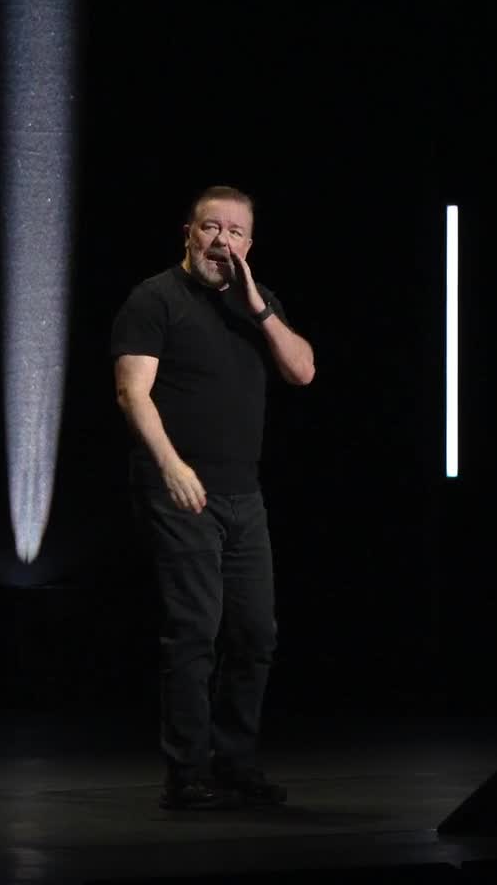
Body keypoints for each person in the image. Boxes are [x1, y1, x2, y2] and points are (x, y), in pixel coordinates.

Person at [110, 185, 316, 811]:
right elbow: (132, 392)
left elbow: (303, 371)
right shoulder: (154, 299)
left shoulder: (257, 303)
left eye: (235, 232)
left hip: (243, 494)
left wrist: (260, 309)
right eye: (211, 228)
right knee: (195, 630)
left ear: (249, 244)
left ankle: (237, 764)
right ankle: (187, 772)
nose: (222, 241)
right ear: (189, 233)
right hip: (180, 490)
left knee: (255, 633)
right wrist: (170, 465)